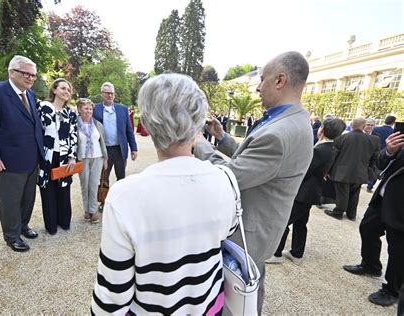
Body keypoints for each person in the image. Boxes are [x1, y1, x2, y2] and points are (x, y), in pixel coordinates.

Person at [91, 74, 238, 315]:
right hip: (208, 306)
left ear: (146, 125)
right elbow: (225, 235)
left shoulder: (125, 196)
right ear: (198, 124)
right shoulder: (226, 179)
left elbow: (112, 295)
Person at [194, 51, 314, 313]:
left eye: (263, 79)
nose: (258, 87)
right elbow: (256, 164)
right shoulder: (291, 121)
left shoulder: (282, 133)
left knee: (237, 302)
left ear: (280, 80)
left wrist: (199, 144)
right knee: (248, 296)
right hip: (259, 235)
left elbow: (230, 176)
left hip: (247, 237)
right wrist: (223, 138)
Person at [0, 55, 43, 252]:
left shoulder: (29, 95)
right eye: (26, 74)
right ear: (12, 72)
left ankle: (22, 226)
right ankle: (12, 236)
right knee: (9, 201)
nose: (30, 78)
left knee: (27, 199)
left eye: (33, 75)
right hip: (7, 161)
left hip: (31, 159)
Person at [266, 118, 346, 265]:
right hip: (311, 192)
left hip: (303, 192)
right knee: (300, 222)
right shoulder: (330, 148)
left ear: (322, 129)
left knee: (284, 221)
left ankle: (276, 253)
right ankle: (296, 253)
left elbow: (305, 172)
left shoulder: (320, 150)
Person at [342, 132, 404, 307]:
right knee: (367, 228)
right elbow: (381, 163)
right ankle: (371, 265)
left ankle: (393, 289)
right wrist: (390, 151)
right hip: (385, 197)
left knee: (398, 248)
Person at [37, 78, 78, 235]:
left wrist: (72, 156)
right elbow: (37, 132)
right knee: (47, 191)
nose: (66, 91)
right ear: (54, 90)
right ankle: (51, 225)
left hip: (64, 157)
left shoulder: (70, 112)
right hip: (47, 156)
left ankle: (64, 221)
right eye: (63, 88)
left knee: (64, 189)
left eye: (68, 90)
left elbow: (73, 135)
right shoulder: (42, 107)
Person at [324, 117, 380, 221]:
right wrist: (369, 169)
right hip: (361, 170)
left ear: (352, 125)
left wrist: (327, 171)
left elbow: (333, 156)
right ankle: (351, 213)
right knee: (355, 193)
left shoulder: (342, 138)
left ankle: (338, 211)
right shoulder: (373, 140)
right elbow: (375, 158)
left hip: (342, 171)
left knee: (342, 193)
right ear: (364, 126)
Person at [93, 82, 138, 187]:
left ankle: (120, 199)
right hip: (104, 150)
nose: (110, 95)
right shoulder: (95, 109)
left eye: (112, 93)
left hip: (120, 150)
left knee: (121, 178)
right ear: (102, 94)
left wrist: (134, 148)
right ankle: (103, 200)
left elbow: (129, 130)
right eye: (107, 93)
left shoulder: (122, 109)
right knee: (103, 177)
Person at [76, 98, 108, 224]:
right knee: (85, 185)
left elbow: (103, 142)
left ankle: (93, 210)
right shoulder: (74, 124)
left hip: (98, 157)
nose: (89, 111)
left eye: (90, 108)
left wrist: (105, 158)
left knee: (94, 184)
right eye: (86, 108)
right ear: (79, 109)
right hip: (82, 158)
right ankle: (86, 210)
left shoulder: (98, 124)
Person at [366, 115, 396, 192]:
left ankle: (367, 181)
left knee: (370, 166)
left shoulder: (376, 129)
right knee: (377, 170)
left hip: (372, 151)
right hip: (384, 153)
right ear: (393, 122)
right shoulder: (393, 132)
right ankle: (370, 186)